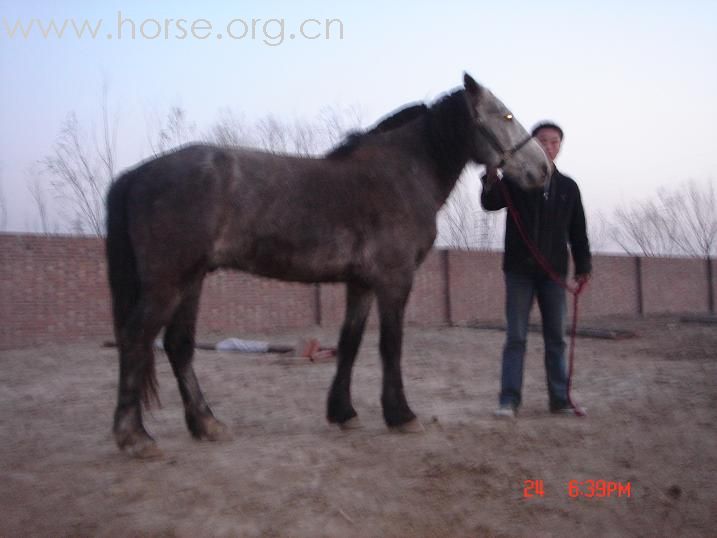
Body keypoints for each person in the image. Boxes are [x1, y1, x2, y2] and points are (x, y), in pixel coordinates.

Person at [480, 121, 592, 418]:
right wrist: (490, 178)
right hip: (519, 271)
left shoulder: (568, 187)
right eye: (543, 140)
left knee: (556, 337)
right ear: (532, 143)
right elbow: (490, 203)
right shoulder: (516, 179)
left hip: (554, 274)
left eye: (554, 142)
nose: (549, 146)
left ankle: (559, 399)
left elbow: (578, 231)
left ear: (560, 147)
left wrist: (583, 266)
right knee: (516, 337)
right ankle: (508, 401)